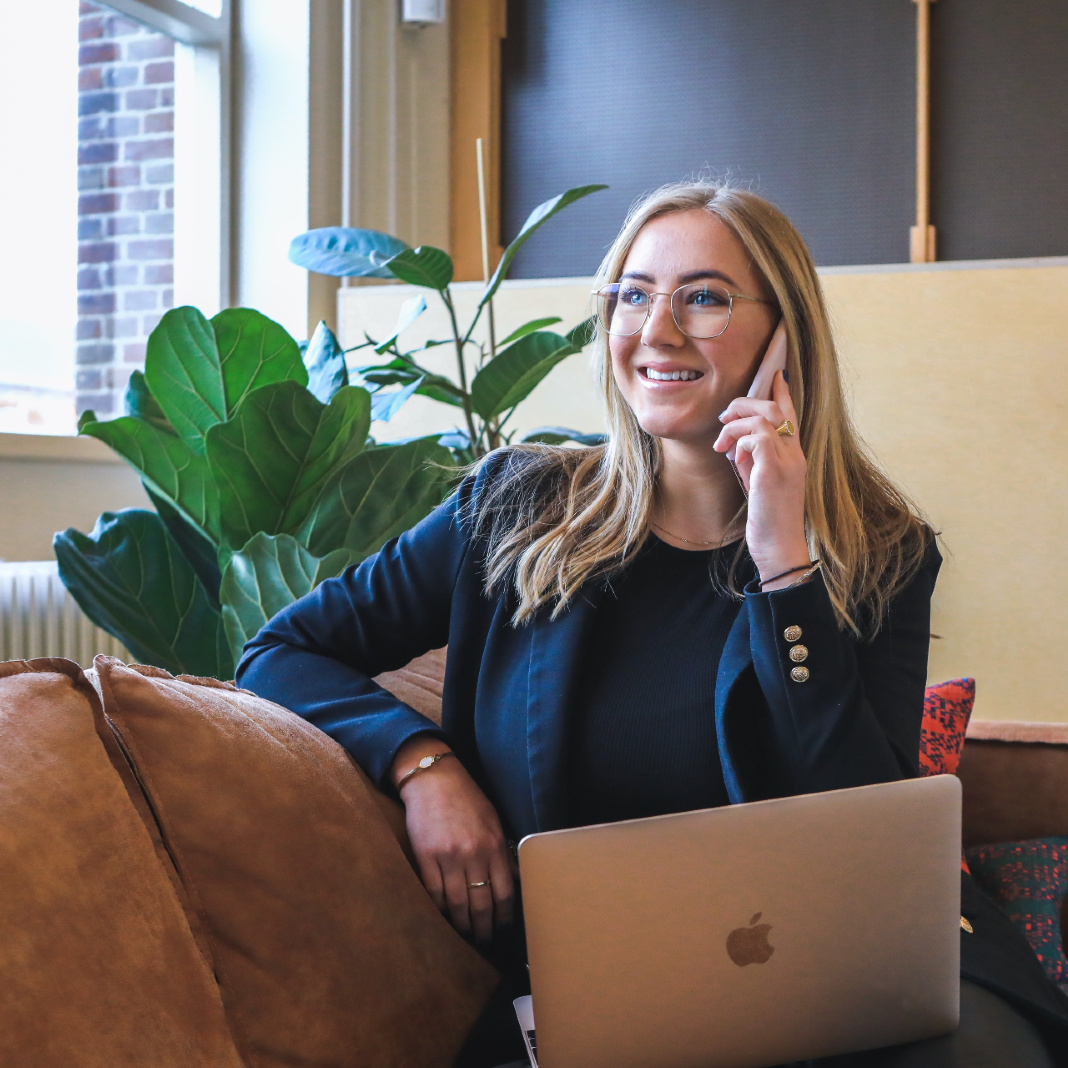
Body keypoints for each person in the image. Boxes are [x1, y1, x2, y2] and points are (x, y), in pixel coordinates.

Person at [236, 182, 1068, 1067]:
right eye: (633, 294)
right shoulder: (512, 509)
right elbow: (281, 650)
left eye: (703, 297)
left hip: (856, 974)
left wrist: (784, 565)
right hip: (609, 990)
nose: (657, 329)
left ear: (786, 336)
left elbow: (869, 837)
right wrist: (422, 764)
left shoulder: (880, 553)